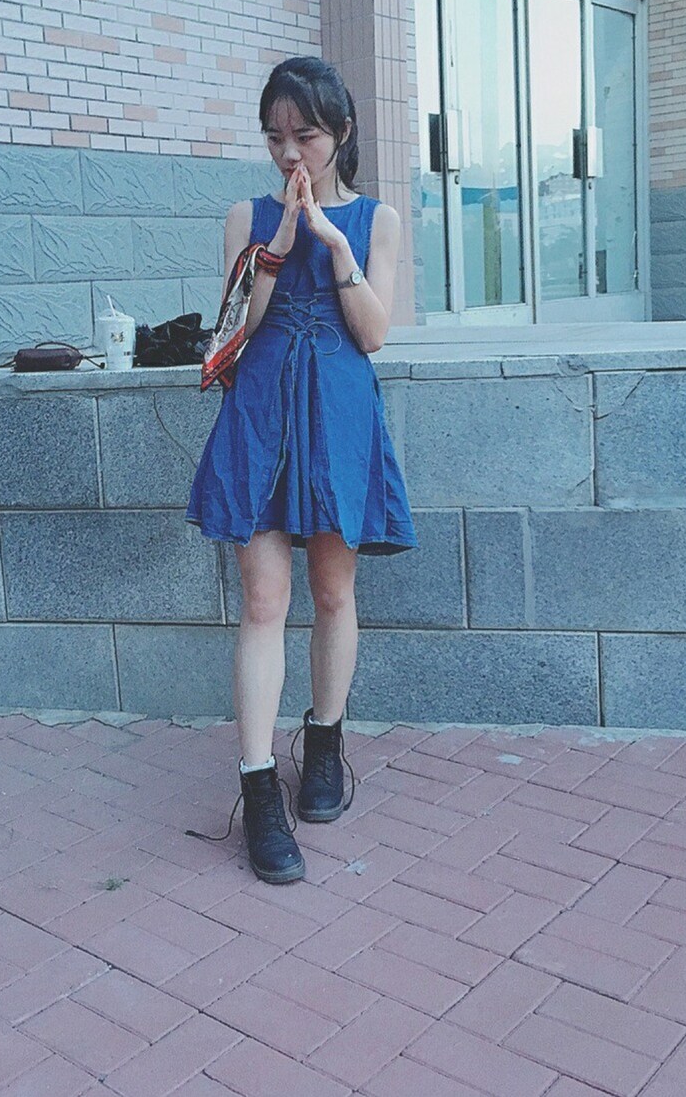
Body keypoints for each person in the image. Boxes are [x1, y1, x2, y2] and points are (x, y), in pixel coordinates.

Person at [186, 56, 418, 884]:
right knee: (262, 600)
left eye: (307, 136)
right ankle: (256, 789)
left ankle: (323, 742)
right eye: (276, 137)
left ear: (341, 133)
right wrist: (280, 246)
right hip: (260, 416)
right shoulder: (244, 217)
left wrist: (331, 240)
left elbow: (374, 333)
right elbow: (236, 330)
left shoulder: (378, 220)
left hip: (339, 418)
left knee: (333, 592)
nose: (290, 154)